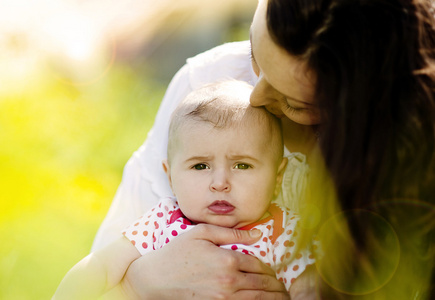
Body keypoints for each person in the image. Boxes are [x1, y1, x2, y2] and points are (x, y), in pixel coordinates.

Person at [92, 0, 435, 299]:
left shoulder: (409, 153)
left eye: (295, 102)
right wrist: (137, 285)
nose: (254, 96)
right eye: (256, 54)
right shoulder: (207, 85)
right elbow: (100, 271)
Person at [53, 80, 317, 299]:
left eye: (242, 166)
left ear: (278, 175)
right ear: (171, 177)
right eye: (201, 166)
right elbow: (100, 266)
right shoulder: (162, 220)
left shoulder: (285, 231)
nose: (220, 182)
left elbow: (309, 290)